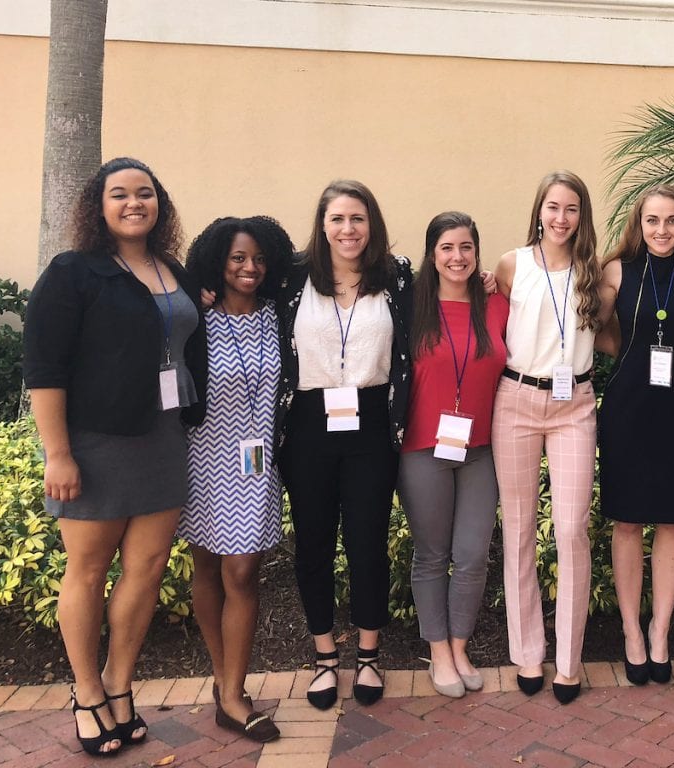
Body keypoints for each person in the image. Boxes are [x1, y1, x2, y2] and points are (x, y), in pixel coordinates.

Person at [23, 157, 206, 756]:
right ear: (97, 207)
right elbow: (45, 370)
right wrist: (59, 454)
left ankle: (120, 687)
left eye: (145, 193)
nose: (134, 203)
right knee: (88, 571)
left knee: (148, 568)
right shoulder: (75, 272)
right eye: (120, 194)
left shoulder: (170, 269)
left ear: (161, 204)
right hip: (96, 443)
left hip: (163, 437)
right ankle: (85, 693)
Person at [277, 180, 413, 709]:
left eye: (357, 219)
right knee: (313, 542)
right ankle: (325, 658)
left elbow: (444, 297)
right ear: (323, 225)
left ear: (371, 224)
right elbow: (229, 271)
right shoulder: (291, 277)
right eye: (337, 219)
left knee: (366, 541)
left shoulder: (396, 276)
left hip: (372, 421)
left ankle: (370, 656)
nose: (348, 229)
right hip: (309, 425)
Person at [180, 216, 294, 742]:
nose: (249, 268)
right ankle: (226, 685)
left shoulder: (278, 317)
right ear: (218, 263)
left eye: (258, 259)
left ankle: (232, 689)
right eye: (237, 259)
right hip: (203, 457)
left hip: (256, 464)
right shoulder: (196, 316)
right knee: (206, 567)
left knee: (243, 572)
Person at [492, 170, 602, 705]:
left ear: (582, 216)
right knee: (518, 532)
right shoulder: (511, 266)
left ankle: (569, 659)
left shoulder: (593, 271)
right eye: (553, 208)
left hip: (574, 405)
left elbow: (607, 332)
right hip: (515, 401)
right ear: (539, 210)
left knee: (571, 528)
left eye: (572, 209)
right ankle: (528, 652)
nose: (561, 218)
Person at [596, 185, 674, 685]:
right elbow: (594, 329)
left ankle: (660, 631)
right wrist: (627, 353)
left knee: (672, 522)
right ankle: (631, 632)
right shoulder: (617, 271)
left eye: (672, 221)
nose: (661, 230)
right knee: (627, 522)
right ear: (637, 225)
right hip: (628, 410)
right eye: (652, 221)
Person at [398, 211, 509, 698]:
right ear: (432, 254)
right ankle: (438, 651)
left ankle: (460, 645)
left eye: (466, 247)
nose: (457, 257)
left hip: (480, 448)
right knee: (433, 555)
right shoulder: (410, 308)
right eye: (446, 248)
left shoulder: (498, 305)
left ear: (477, 253)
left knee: (472, 554)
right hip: (423, 447)